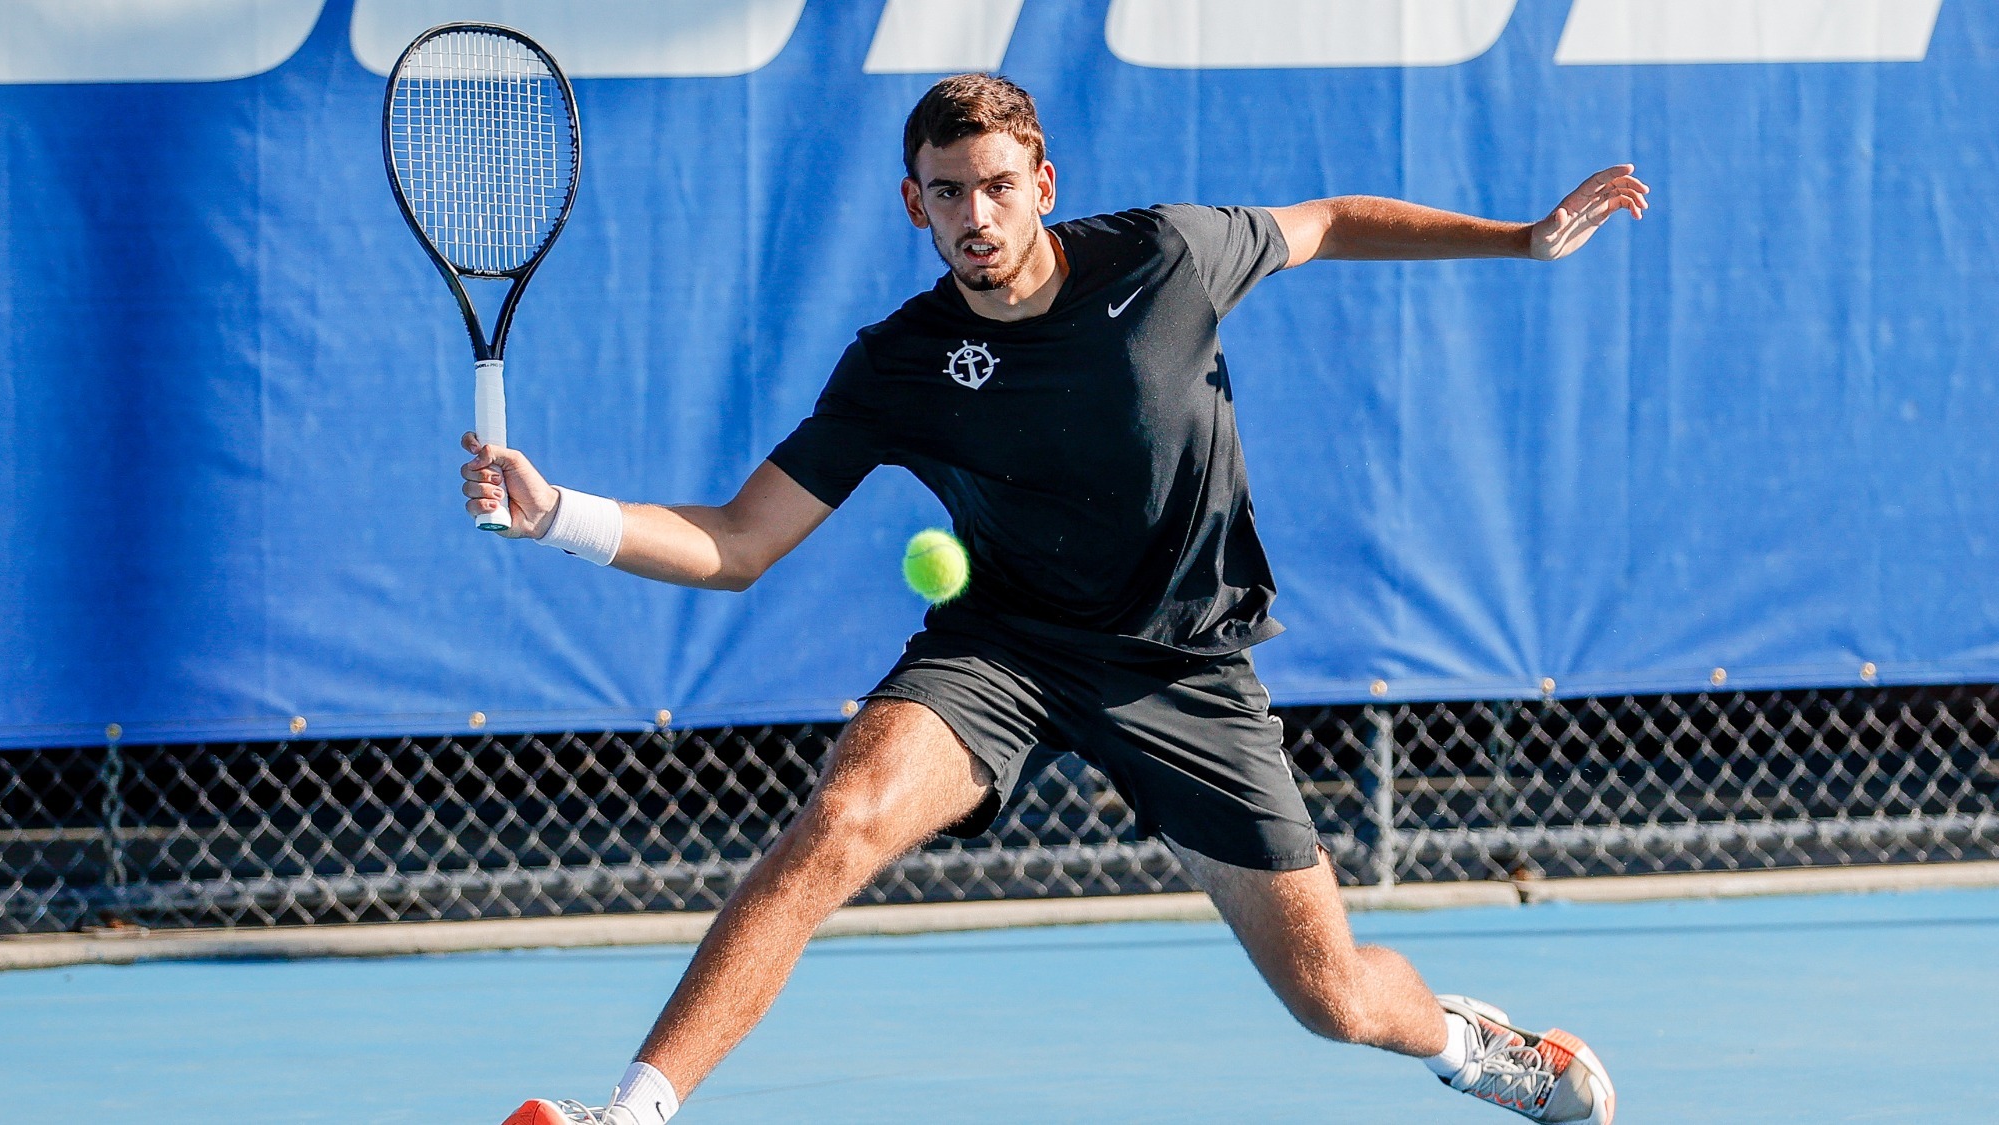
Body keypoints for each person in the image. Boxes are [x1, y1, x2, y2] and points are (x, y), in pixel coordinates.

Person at [468, 74, 1646, 1125]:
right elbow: (735, 541)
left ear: (1041, 180)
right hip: (1002, 652)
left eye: (992, 187)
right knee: (840, 819)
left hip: (1183, 667)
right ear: (911, 204)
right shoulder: (899, 362)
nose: (972, 218)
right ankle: (631, 1114)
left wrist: (1520, 240)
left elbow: (1329, 222)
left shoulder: (1169, 257)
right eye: (943, 195)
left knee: (1331, 998)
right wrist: (558, 512)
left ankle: (1469, 1048)